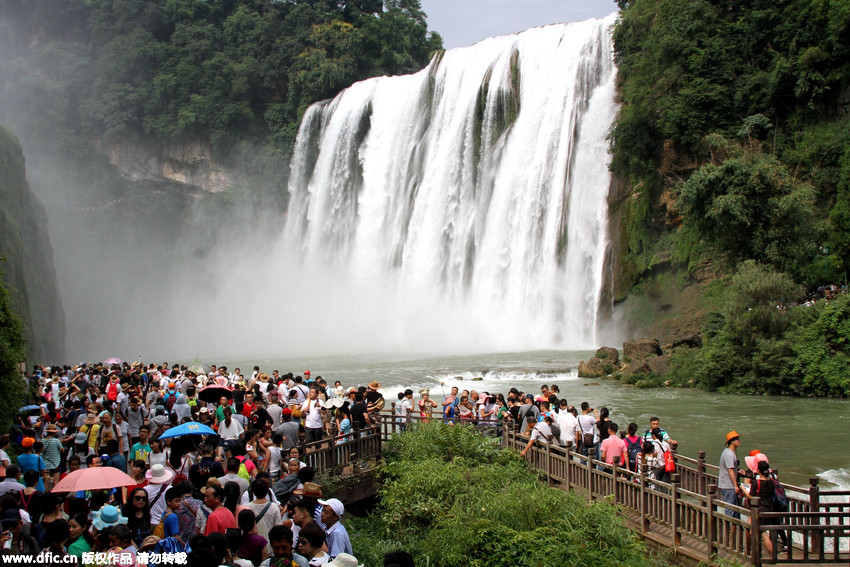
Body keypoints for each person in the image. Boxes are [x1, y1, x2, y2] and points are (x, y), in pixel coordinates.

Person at [746, 460, 776, 556]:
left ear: (758, 470)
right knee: (762, 531)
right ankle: (753, 550)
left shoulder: (756, 482)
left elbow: (751, 496)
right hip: (770, 508)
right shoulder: (771, 482)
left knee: (763, 534)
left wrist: (743, 488)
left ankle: (772, 555)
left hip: (759, 510)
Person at [718, 431, 742, 519]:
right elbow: (730, 469)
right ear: (732, 441)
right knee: (730, 507)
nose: (739, 441)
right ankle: (728, 527)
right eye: (737, 440)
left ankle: (733, 528)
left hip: (725, 484)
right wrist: (735, 485)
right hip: (728, 485)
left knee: (733, 507)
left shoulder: (726, 451)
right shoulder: (729, 454)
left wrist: (738, 472)